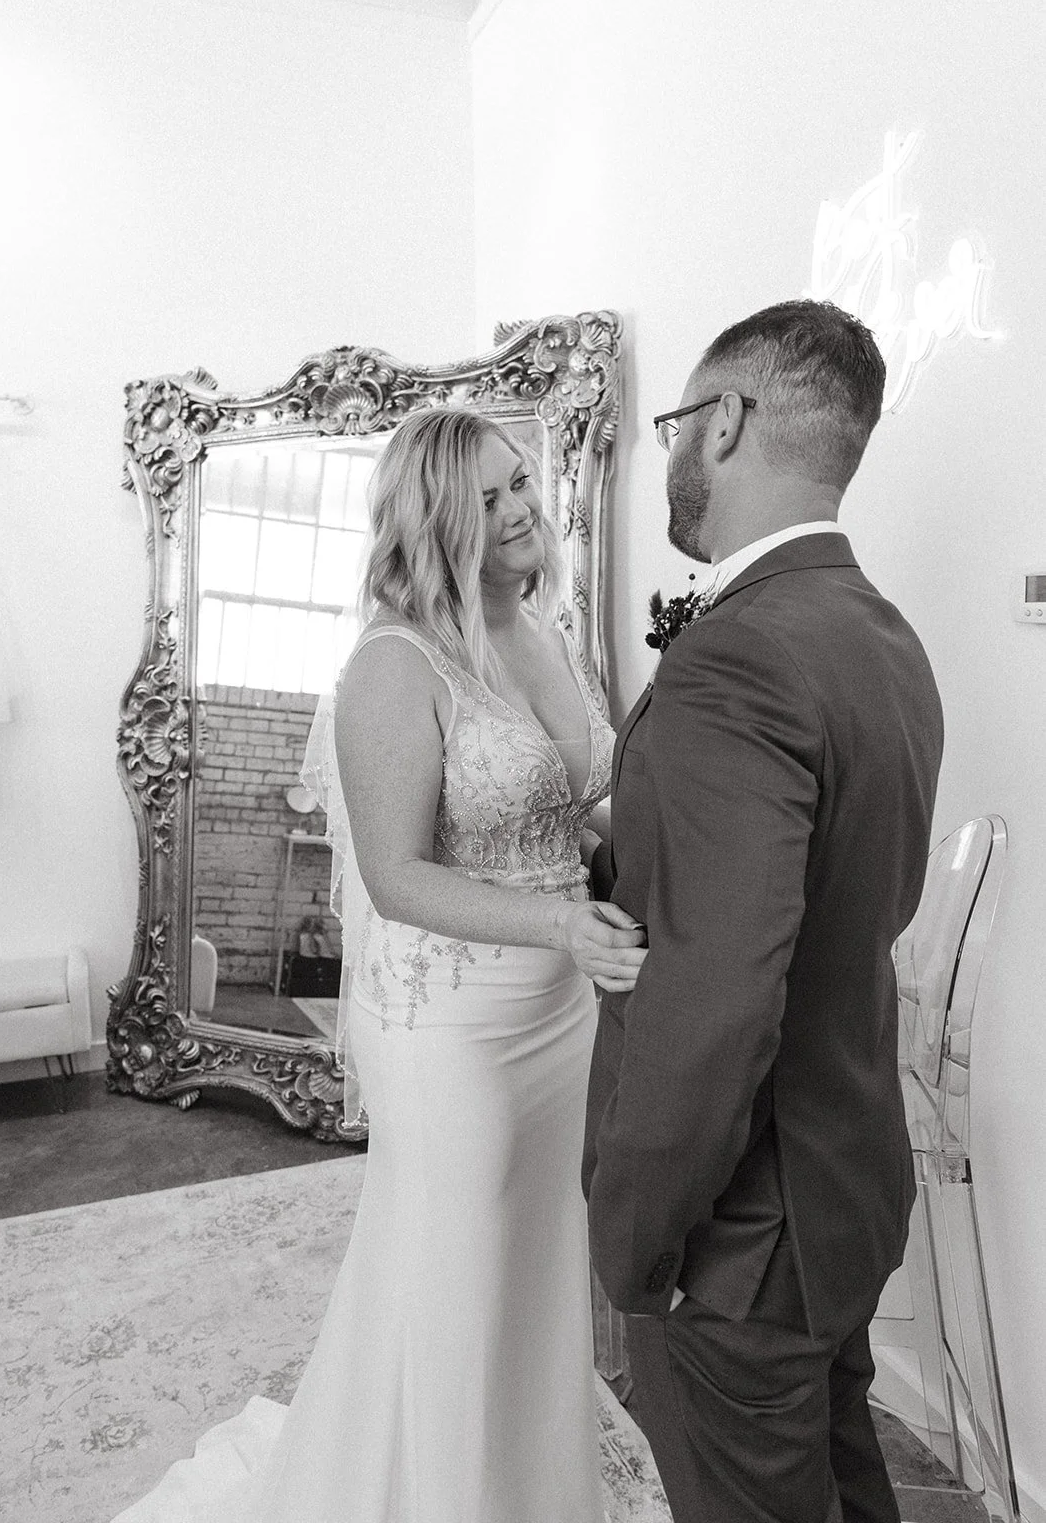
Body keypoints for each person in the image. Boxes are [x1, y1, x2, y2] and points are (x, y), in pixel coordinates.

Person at [112, 405, 646, 1523]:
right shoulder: (390, 668)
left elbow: (563, 812)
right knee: (450, 1274)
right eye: (489, 494)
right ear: (434, 515)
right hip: (454, 1024)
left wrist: (615, 865)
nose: (519, 508)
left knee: (539, 1261)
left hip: (560, 1016)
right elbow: (399, 875)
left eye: (520, 484)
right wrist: (559, 925)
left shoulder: (537, 636)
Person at [583, 300, 945, 1523]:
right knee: (843, 1480)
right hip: (843, 1184)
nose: (671, 454)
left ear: (726, 420)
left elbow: (712, 1002)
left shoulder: (736, 657)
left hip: (739, 1236)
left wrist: (637, 1240)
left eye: (679, 421)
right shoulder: (880, 635)